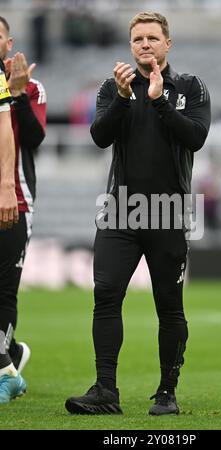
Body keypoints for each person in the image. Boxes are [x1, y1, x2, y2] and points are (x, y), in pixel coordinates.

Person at [65, 11, 211, 416]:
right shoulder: (116, 88)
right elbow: (99, 137)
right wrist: (125, 99)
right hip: (119, 213)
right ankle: (105, 391)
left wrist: (160, 101)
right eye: (137, 40)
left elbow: (195, 137)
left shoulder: (190, 87)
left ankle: (167, 391)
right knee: (106, 296)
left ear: (167, 44)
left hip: (169, 212)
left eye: (151, 38)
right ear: (130, 46)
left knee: (169, 304)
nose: (144, 45)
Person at [0, 16, 47, 403]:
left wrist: (16, 96)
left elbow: (35, 138)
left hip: (15, 199)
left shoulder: (32, 86)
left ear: (8, 42)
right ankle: (10, 356)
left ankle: (6, 365)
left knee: (4, 290)